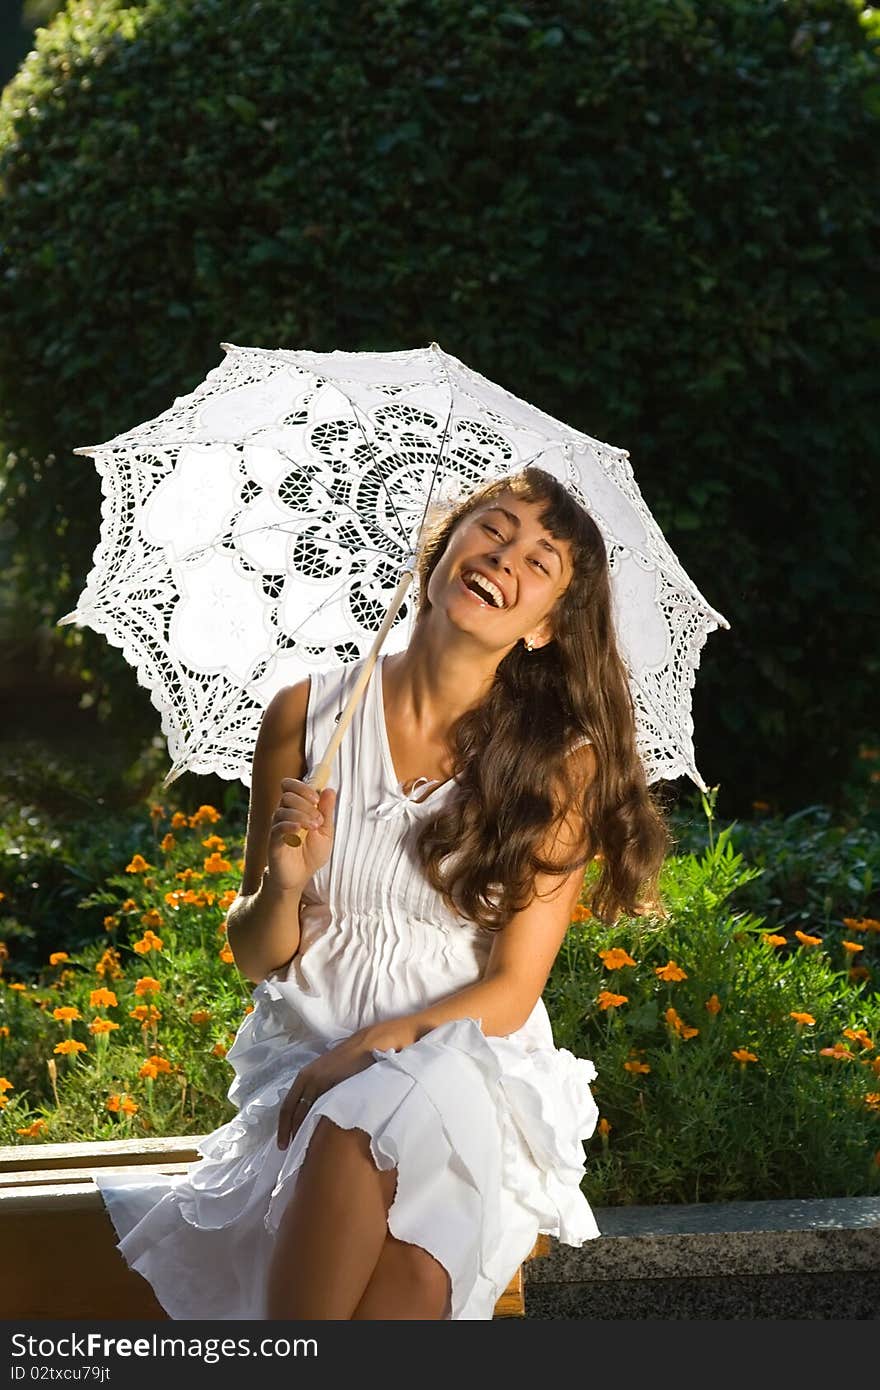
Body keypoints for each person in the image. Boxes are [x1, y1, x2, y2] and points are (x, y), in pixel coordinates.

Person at [95, 464, 671, 1320]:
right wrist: (284, 884)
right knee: (401, 1281)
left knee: (358, 1121)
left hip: (461, 1062)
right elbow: (259, 955)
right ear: (440, 551)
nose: (506, 557)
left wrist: (365, 1053)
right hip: (304, 1057)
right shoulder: (307, 715)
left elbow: (512, 990)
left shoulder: (559, 766)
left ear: (547, 626)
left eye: (540, 560)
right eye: (495, 528)